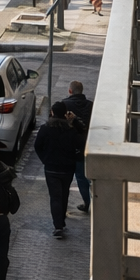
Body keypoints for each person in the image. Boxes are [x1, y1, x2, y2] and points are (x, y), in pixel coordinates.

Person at [34, 101, 86, 239]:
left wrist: (45, 159)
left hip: (51, 168)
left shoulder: (45, 128)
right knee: (64, 194)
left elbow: (37, 145)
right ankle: (61, 220)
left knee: (55, 197)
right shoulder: (70, 130)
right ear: (65, 113)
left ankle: (58, 225)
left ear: (51, 112)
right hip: (67, 168)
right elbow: (82, 140)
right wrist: (74, 121)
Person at [64, 81, 94, 212]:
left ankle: (87, 202)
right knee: (84, 175)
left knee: (75, 177)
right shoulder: (90, 105)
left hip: (71, 147)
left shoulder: (65, 104)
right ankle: (90, 201)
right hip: (88, 144)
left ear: (70, 91)